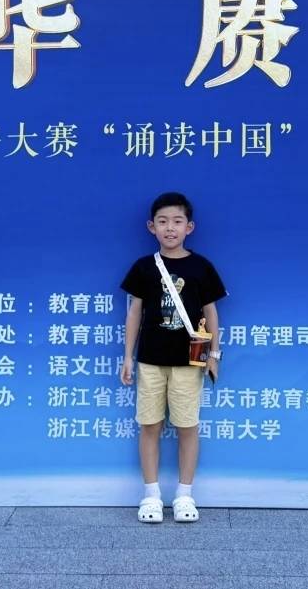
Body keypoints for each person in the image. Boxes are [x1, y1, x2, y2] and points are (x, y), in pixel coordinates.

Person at [120, 192, 225, 524]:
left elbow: (211, 313)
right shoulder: (143, 267)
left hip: (189, 363)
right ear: (151, 227)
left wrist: (214, 354)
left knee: (187, 427)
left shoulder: (201, 267)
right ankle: (151, 495)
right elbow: (134, 313)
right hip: (150, 360)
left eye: (177, 222)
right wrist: (127, 357)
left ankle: (184, 495)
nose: (170, 228)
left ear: (189, 227)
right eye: (163, 222)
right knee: (150, 425)